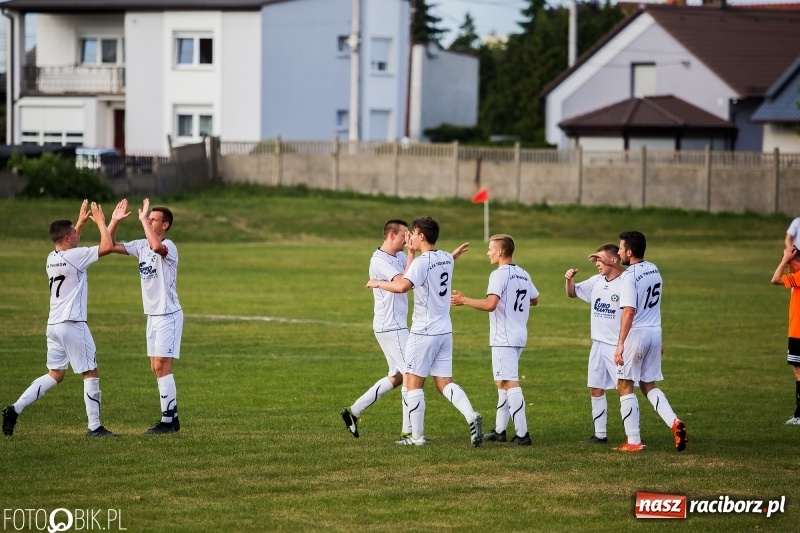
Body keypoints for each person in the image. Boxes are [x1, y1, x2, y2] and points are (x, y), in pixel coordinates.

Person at [2, 201, 117, 437]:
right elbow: (107, 245)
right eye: (74, 232)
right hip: (72, 323)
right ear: (67, 238)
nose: (78, 235)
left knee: (55, 374)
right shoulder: (75, 256)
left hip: (53, 325)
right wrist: (101, 221)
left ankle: (15, 408)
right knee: (90, 372)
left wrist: (81, 222)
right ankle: (94, 427)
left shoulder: (51, 257)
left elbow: (71, 248)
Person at [366, 216, 482, 447]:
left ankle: (416, 438)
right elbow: (443, 260)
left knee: (412, 383)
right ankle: (471, 415)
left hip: (424, 332)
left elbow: (400, 287)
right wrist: (453, 255)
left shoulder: (421, 262)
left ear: (421, 236)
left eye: (414, 233)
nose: (410, 237)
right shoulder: (445, 258)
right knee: (444, 383)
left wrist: (377, 282)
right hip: (445, 331)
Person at [451, 234, 539, 446]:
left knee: (510, 382)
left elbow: (490, 304)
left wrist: (464, 300)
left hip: (504, 336)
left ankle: (522, 434)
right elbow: (534, 299)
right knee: (501, 382)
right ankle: (500, 430)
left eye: (490, 249)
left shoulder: (498, 275)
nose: (488, 253)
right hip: (518, 334)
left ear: (500, 251)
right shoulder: (523, 273)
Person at [108, 198, 183, 434]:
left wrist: (142, 221)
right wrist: (114, 221)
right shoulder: (141, 245)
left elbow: (156, 248)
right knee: (155, 367)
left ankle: (168, 422)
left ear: (165, 225)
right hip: (152, 315)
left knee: (162, 366)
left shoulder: (169, 246)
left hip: (168, 314)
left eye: (153, 219)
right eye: (148, 218)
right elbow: (108, 245)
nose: (149, 220)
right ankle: (173, 418)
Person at [613, 230, 687, 452]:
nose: (618, 252)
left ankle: (633, 441)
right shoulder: (654, 269)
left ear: (629, 251)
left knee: (624, 384)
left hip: (637, 334)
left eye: (620, 248)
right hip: (655, 331)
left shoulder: (628, 276)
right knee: (647, 384)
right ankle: (674, 422)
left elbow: (629, 311)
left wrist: (620, 344)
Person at [340, 220, 414, 440]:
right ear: (392, 235)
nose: (407, 239)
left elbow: (414, 275)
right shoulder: (379, 260)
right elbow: (402, 283)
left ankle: (354, 411)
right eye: (404, 236)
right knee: (412, 376)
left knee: (398, 376)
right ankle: (407, 433)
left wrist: (446, 259)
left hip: (394, 324)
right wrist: (411, 254)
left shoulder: (400, 256)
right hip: (391, 325)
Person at [565, 243, 625, 444]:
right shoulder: (596, 281)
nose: (596, 263)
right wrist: (569, 280)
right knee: (595, 388)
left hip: (616, 346)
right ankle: (600, 435)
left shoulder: (626, 282)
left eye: (600, 259)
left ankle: (633, 437)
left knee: (624, 391)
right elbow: (572, 293)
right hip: (597, 345)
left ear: (613, 259)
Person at [770, 246, 800, 425]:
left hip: (799, 333)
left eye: (787, 263)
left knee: (799, 372)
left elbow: (775, 279)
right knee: (798, 371)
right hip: (795, 331)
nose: (786, 267)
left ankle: (799, 415)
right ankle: (798, 415)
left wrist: (783, 260)